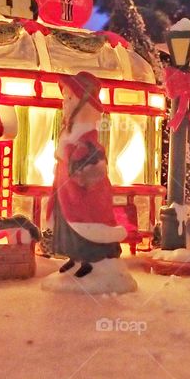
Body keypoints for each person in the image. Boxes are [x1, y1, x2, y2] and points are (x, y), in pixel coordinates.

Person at [49, 71, 125, 277]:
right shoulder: (69, 133)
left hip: (84, 192)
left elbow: (92, 166)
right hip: (66, 191)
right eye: (65, 98)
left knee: (87, 221)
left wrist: (79, 165)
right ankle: (74, 257)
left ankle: (91, 259)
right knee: (68, 224)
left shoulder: (88, 137)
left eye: (70, 98)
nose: (65, 103)